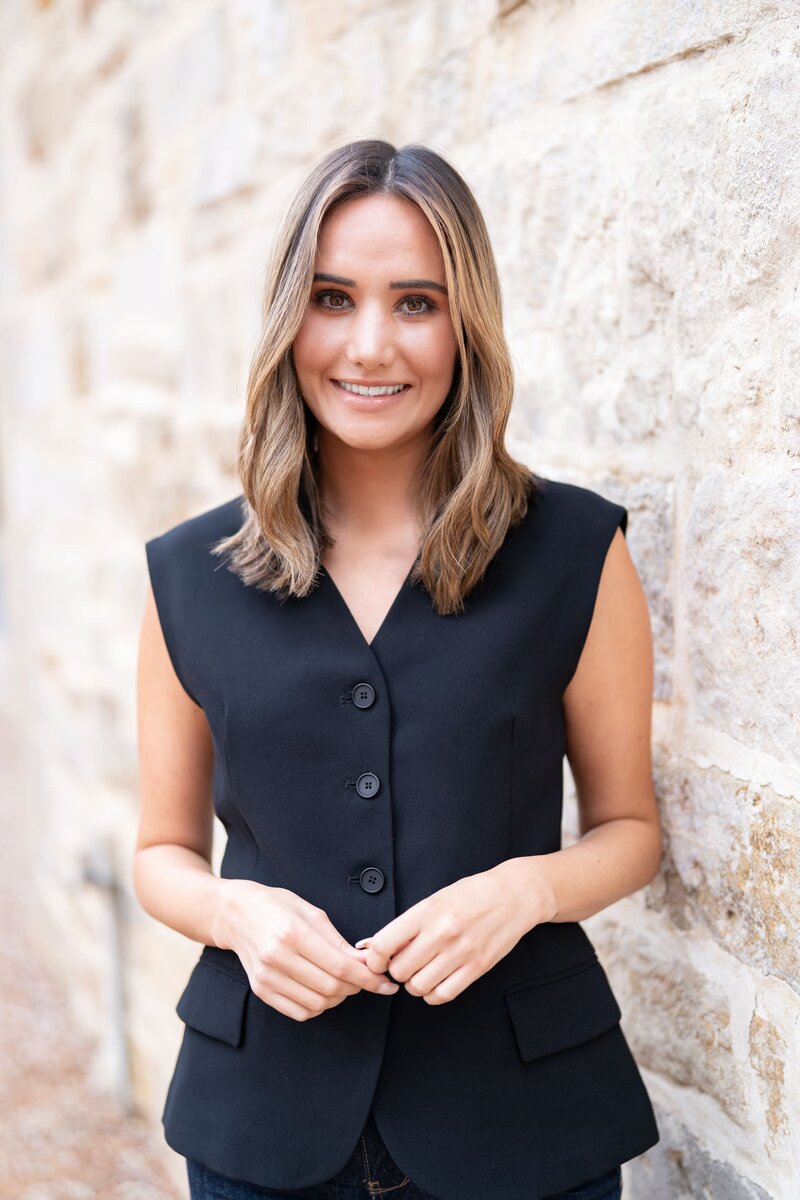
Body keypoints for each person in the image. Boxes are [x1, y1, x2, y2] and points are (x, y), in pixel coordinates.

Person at [134, 139, 662, 1200]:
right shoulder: (187, 575)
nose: (369, 345)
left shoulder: (574, 551)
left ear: (463, 324)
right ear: (290, 317)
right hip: (263, 1121)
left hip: (521, 1121)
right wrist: (238, 915)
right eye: (333, 297)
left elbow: (629, 833)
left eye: (414, 302)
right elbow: (159, 851)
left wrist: (528, 889)